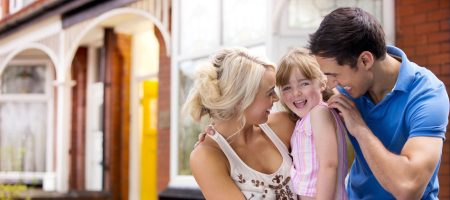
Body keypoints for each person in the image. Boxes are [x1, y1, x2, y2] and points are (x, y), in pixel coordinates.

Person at [308, 7, 449, 199]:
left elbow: (408, 188)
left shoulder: (427, 94)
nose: (330, 83)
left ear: (365, 61)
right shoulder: (344, 89)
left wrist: (360, 129)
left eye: (335, 75)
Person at [184, 47, 297, 199]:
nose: (276, 98)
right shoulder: (207, 156)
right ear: (240, 100)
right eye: (270, 92)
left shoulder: (283, 124)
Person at [276, 48, 348, 200]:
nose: (296, 93)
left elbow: (329, 165)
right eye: (287, 88)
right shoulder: (305, 119)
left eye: (304, 84)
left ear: (322, 83)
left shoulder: (319, 113)